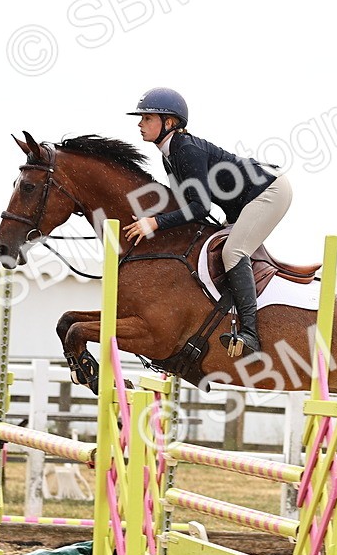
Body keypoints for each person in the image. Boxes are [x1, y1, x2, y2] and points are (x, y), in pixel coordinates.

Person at [122, 87, 291, 356]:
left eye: (147, 118)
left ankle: (250, 334)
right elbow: (184, 204)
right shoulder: (170, 155)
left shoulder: (186, 150)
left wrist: (155, 223)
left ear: (169, 123)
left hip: (267, 192)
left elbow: (199, 208)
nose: (140, 124)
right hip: (241, 203)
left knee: (233, 251)